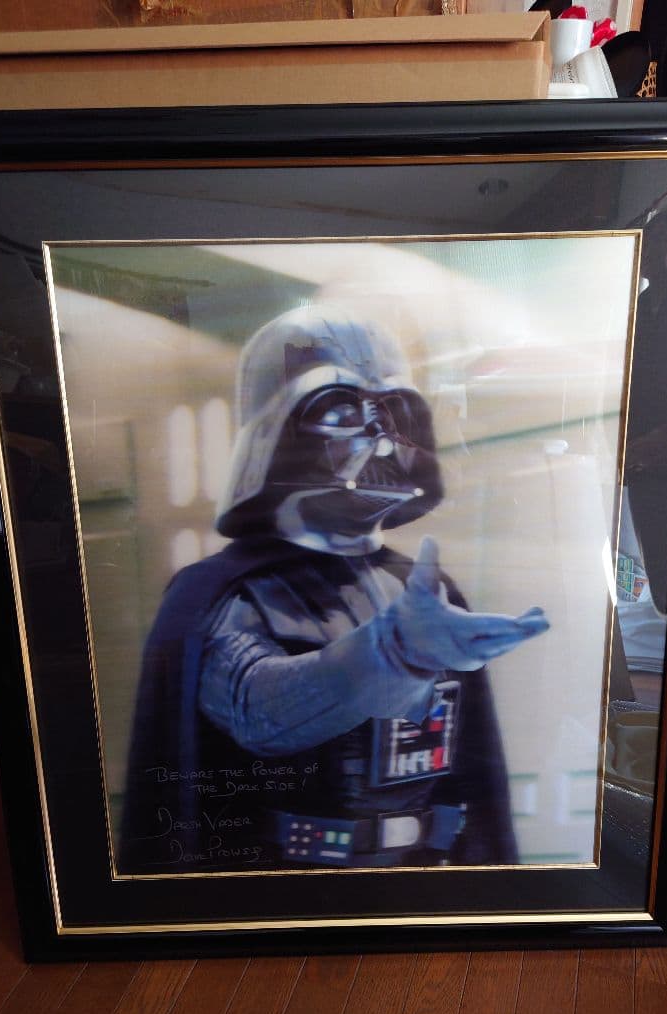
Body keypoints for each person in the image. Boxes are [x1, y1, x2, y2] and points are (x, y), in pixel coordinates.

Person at [118, 305, 547, 874]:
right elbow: (256, 707)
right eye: (342, 410)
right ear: (277, 434)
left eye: (394, 412)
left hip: (424, 877)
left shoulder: (424, 587)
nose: (381, 437)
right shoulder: (228, 594)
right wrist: (388, 655)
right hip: (291, 885)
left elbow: (469, 765)